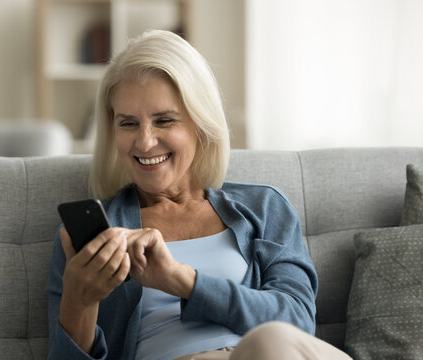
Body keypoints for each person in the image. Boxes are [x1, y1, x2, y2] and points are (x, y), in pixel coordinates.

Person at [46, 30, 351, 360]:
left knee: (271, 342)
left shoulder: (264, 207)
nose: (145, 142)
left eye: (164, 120)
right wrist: (79, 302)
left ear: (200, 124)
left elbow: (298, 321)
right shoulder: (98, 238)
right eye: (129, 124)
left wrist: (181, 280)